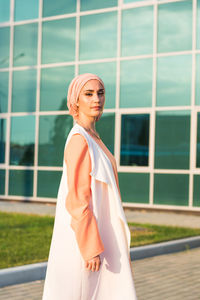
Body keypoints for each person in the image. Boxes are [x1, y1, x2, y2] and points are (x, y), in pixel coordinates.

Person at [42, 73, 138, 300]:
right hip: (86, 245)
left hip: (102, 237)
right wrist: (91, 248)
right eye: (89, 94)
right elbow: (77, 199)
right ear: (76, 100)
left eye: (100, 93)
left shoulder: (92, 136)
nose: (97, 99)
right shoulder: (79, 139)